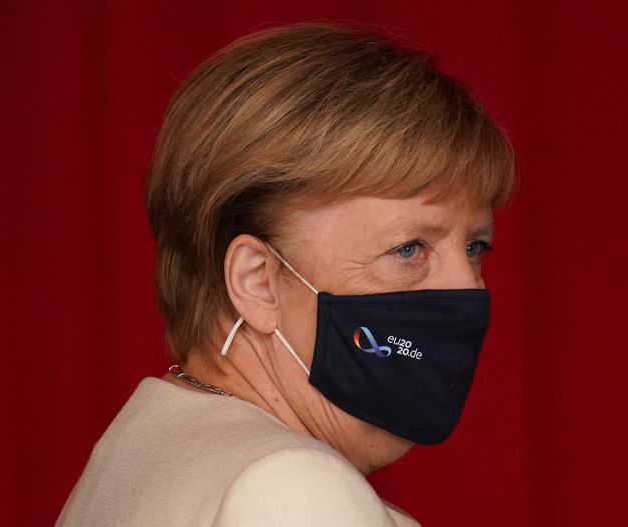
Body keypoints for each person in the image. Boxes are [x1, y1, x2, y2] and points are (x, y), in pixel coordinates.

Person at [57, 20, 515, 526]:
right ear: (257, 281)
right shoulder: (294, 490)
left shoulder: (141, 448)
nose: (467, 287)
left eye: (475, 246)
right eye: (409, 248)